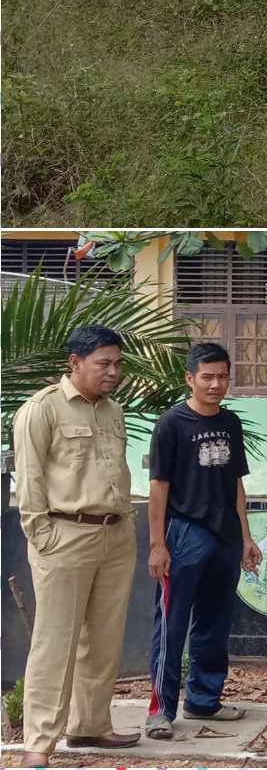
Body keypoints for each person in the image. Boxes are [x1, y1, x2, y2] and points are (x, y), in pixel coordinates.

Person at [12, 325, 140, 767]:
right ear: (75, 362)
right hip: (64, 537)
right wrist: (43, 536)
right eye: (104, 363)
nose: (113, 372)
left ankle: (90, 726)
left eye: (117, 364)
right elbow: (27, 482)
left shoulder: (113, 410)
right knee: (55, 643)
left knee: (103, 639)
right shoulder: (41, 410)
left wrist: (124, 523)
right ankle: (38, 745)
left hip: (116, 534)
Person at [144, 342, 262, 740]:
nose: (216, 384)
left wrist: (246, 537)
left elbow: (236, 483)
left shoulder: (230, 422)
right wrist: (158, 544)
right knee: (172, 624)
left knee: (215, 622)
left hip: (226, 535)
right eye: (207, 377)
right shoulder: (171, 424)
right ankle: (161, 710)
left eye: (222, 376)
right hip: (184, 533)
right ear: (189, 379)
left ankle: (204, 699)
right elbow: (158, 487)